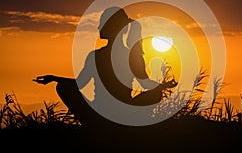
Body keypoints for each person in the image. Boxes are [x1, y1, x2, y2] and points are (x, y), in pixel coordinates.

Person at [33, 7, 177, 127]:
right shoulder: (112, 56)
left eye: (102, 22)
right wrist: (54, 78)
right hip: (116, 113)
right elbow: (146, 84)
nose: (98, 26)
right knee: (62, 86)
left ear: (113, 26)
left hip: (104, 114)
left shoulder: (121, 56)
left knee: (63, 87)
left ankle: (108, 124)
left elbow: (80, 84)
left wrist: (161, 87)